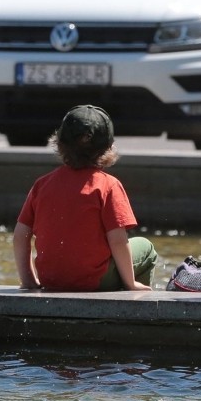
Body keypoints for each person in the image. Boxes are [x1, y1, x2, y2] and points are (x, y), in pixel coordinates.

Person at [13, 105, 157, 292]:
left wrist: (29, 281)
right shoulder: (108, 185)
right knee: (147, 248)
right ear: (108, 147)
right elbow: (118, 241)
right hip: (94, 280)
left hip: (51, 278)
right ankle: (134, 307)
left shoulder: (42, 184)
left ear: (59, 143)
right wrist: (131, 283)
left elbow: (19, 236)